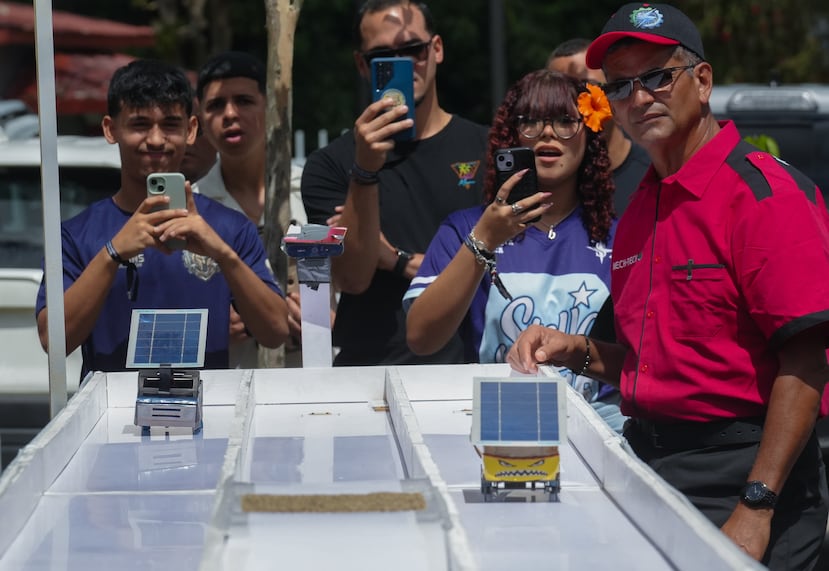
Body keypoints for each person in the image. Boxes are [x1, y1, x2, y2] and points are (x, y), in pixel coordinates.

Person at [508, 4, 829, 568]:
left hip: (746, 476)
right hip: (651, 469)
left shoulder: (763, 195)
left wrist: (757, 504)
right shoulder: (641, 208)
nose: (638, 98)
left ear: (702, 82)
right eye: (620, 86)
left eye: (657, 77)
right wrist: (573, 349)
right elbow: (654, 365)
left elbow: (808, 361)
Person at [35, 59, 290, 379]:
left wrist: (224, 255)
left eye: (170, 125)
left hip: (209, 406)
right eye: (140, 125)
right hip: (111, 410)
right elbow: (53, 340)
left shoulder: (230, 228)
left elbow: (276, 332)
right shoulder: (76, 235)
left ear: (191, 130)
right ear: (111, 130)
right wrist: (113, 253)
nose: (156, 140)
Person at [404, 70, 620, 423]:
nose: (548, 132)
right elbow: (420, 338)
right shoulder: (465, 228)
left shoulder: (623, 237)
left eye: (566, 121)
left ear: (590, 136)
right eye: (530, 121)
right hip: (503, 420)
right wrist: (484, 241)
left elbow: (642, 360)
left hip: (604, 428)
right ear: (511, 135)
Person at [301, 0, 489, 366]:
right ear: (362, 65)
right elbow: (352, 278)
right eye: (383, 56)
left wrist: (397, 261)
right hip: (370, 373)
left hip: (466, 372)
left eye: (413, 49)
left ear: (436, 49)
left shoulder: (485, 146)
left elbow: (504, 269)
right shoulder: (330, 164)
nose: (403, 63)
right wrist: (365, 171)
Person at [546, 37, 650, 216]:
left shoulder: (654, 174)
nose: (575, 103)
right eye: (559, 93)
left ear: (615, 92)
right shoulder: (543, 184)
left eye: (588, 89)